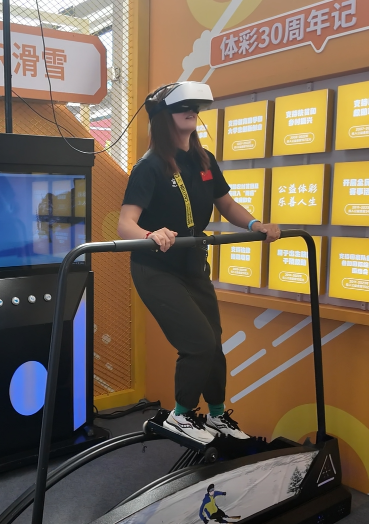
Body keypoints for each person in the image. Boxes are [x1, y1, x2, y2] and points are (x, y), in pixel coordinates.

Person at [117, 82, 281, 444]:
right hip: (156, 269)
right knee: (199, 343)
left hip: (192, 265)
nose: (191, 111)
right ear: (163, 117)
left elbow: (227, 204)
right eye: (183, 107)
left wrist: (256, 224)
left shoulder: (204, 160)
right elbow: (126, 223)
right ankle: (181, 415)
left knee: (214, 345)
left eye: (195, 107)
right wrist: (150, 234)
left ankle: (217, 416)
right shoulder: (149, 166)